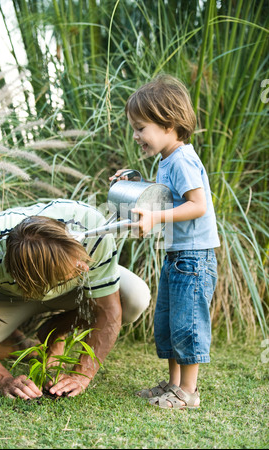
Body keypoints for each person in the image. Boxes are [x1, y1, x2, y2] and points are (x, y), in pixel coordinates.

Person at [110, 74, 220, 409]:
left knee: (187, 323)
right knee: (170, 322)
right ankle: (173, 384)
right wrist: (132, 184)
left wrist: (156, 218)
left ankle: (188, 391)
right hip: (178, 256)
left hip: (194, 258)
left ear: (168, 123)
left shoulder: (183, 159)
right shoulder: (167, 160)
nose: (136, 135)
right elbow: (164, 199)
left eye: (141, 127)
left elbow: (197, 205)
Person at [0, 199, 150, 400]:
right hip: (10, 295)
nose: (85, 267)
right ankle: (22, 345)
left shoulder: (91, 227)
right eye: (73, 269)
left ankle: (56, 330)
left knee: (134, 297)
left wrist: (81, 376)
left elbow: (109, 311)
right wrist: (3, 379)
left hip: (73, 290)